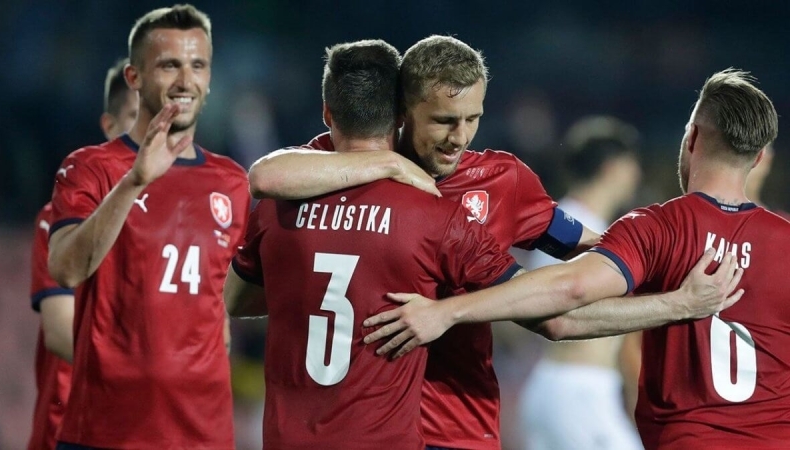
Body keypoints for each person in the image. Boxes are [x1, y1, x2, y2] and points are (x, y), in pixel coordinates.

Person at [364, 69, 787, 448]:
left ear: (691, 138)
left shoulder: (658, 230)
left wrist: (446, 312)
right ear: (757, 158)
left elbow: (568, 295)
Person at [248, 35, 599, 449]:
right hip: (372, 428)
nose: (460, 137)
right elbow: (267, 175)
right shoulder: (342, 167)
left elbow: (585, 245)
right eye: (444, 120)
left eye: (473, 119)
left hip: (456, 425)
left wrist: (652, 261)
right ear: (402, 111)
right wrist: (389, 163)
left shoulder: (501, 181)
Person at [48, 5, 250, 449]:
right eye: (169, 65)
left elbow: (224, 302)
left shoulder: (232, 182)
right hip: (105, 431)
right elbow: (65, 269)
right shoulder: (91, 168)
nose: (185, 80)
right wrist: (135, 181)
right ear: (134, 77)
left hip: (202, 434)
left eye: (198, 65)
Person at [27, 58, 138, 450]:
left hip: (148, 428)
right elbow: (60, 332)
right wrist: (147, 371)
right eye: (136, 118)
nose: (151, 135)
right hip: (70, 427)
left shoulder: (182, 220)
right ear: (108, 127)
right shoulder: (59, 220)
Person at [520, 116, 644, 450]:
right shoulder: (576, 231)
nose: (636, 174)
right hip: (579, 390)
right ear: (613, 167)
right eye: (632, 164)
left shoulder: (565, 223)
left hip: (557, 386)